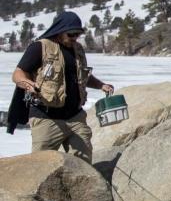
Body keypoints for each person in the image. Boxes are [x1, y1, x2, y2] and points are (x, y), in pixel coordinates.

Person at [8, 11, 113, 162]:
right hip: (47, 118)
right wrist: (27, 83)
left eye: (77, 34)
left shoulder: (78, 49)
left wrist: (101, 85)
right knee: (40, 165)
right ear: (60, 31)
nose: (75, 38)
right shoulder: (40, 47)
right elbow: (18, 74)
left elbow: (82, 76)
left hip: (75, 118)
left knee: (83, 164)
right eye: (71, 34)